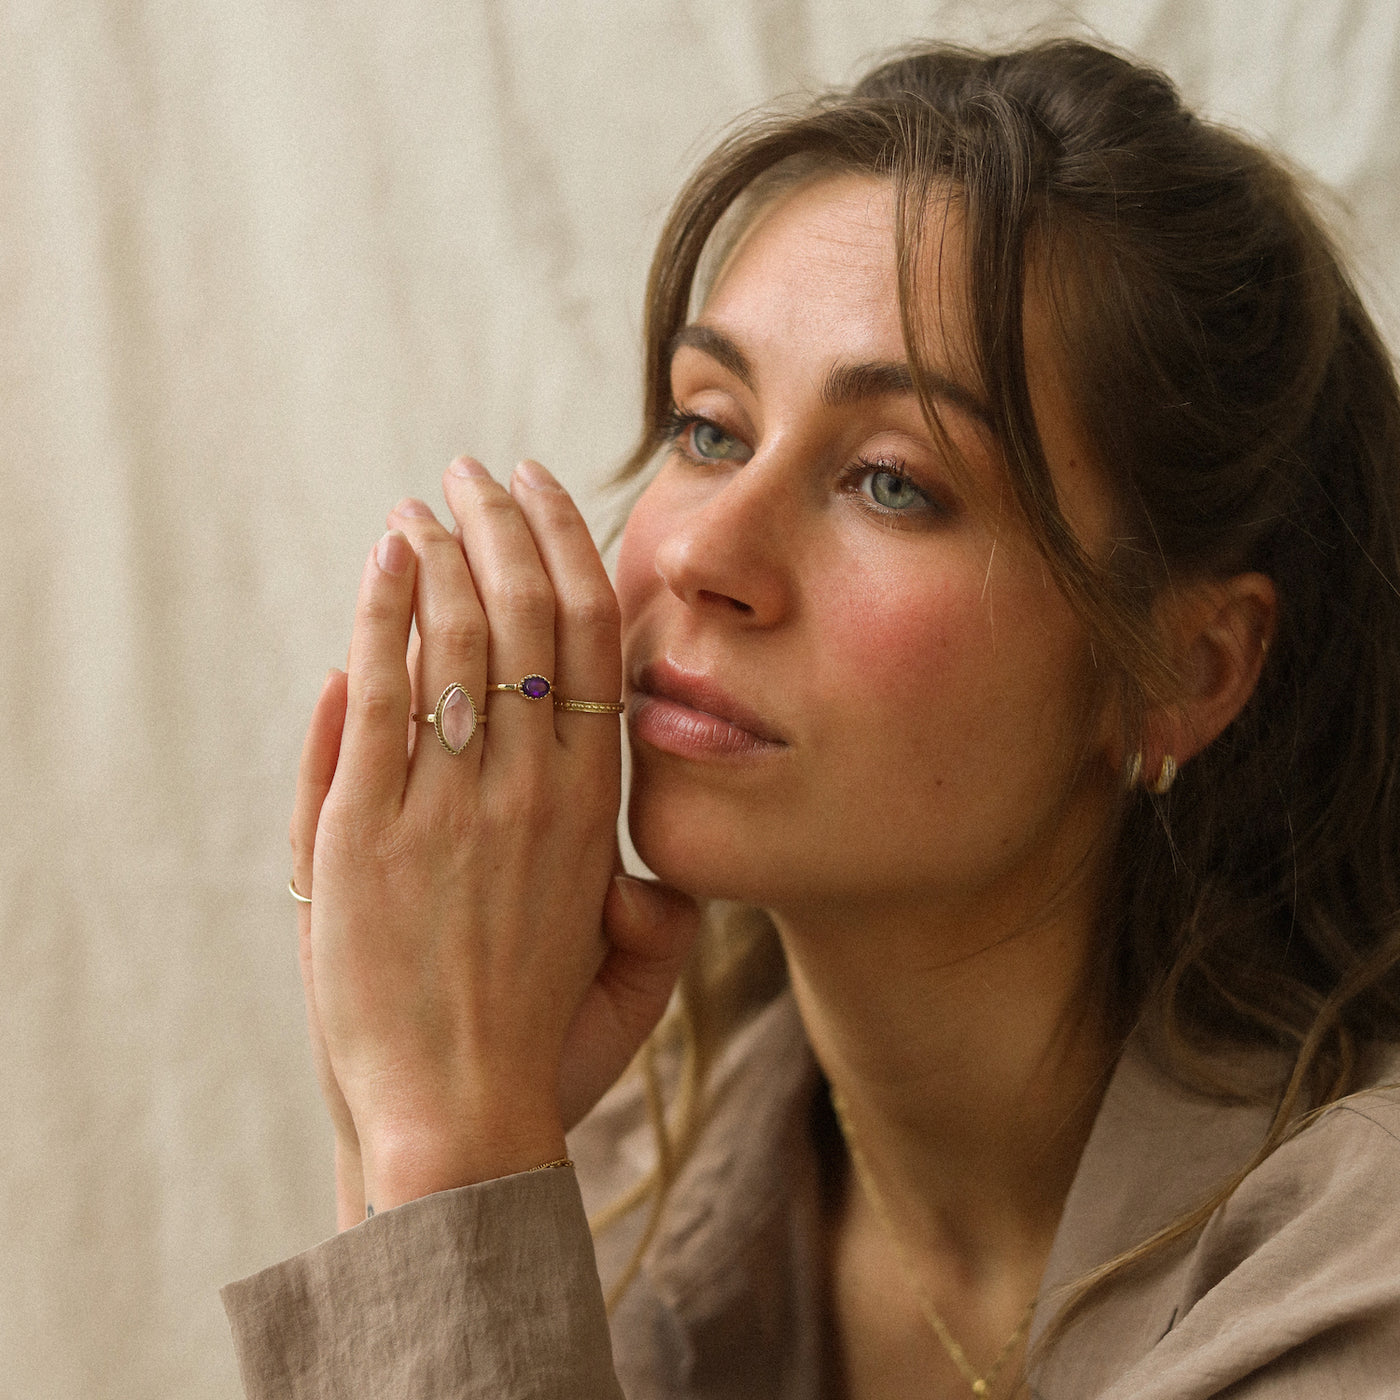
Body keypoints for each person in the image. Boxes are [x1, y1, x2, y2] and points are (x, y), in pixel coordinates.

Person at [223, 38, 1400, 1400]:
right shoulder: (613, 1172)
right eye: (710, 428)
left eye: (892, 481)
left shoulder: (1361, 1270)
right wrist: (396, 1130)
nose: (698, 552)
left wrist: (446, 1156)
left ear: (1185, 672)